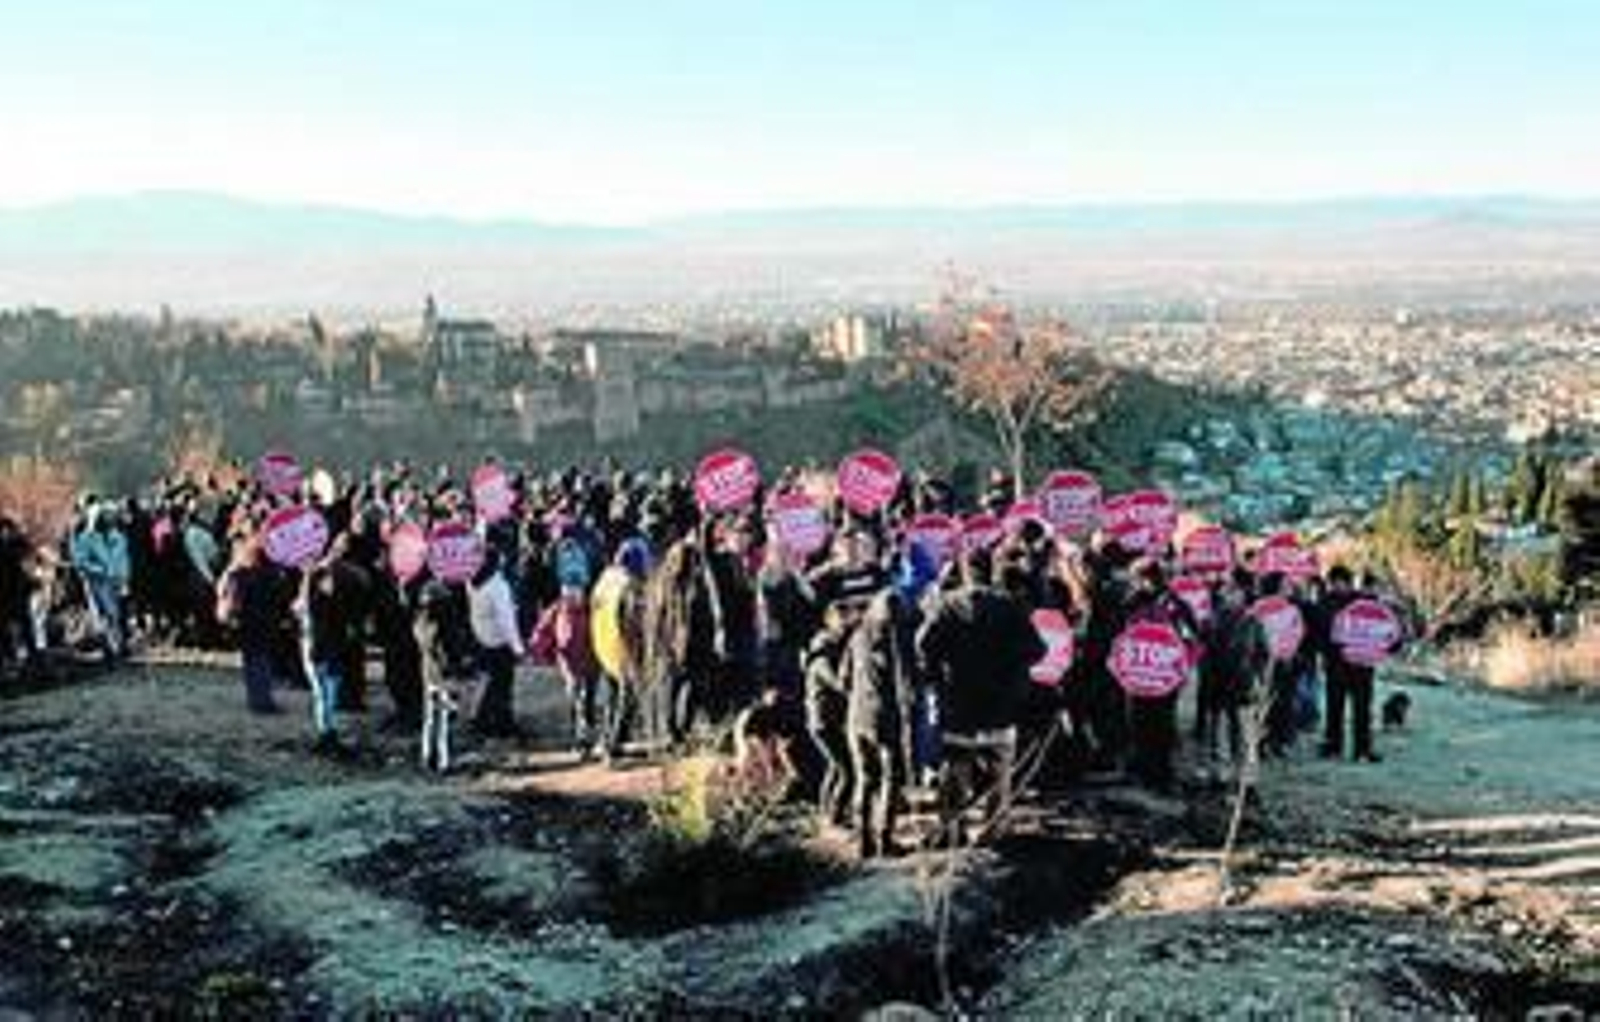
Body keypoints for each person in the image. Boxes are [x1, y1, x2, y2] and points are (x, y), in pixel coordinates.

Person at [917, 552, 1044, 846]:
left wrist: (938, 679)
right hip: (1001, 707)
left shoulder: (946, 605)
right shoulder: (1011, 606)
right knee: (1000, 772)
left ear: (964, 572)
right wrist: (1010, 670)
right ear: (992, 572)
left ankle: (952, 829)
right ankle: (993, 832)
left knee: (955, 771)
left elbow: (923, 647)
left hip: (959, 705)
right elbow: (1037, 650)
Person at [844, 588, 915, 858]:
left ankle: (863, 842)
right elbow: (906, 683)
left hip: (856, 714)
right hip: (885, 716)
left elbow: (844, 678)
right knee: (890, 777)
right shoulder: (897, 638)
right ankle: (884, 839)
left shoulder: (858, 635)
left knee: (865, 779)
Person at [1317, 565, 1388, 763]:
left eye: (1340, 582)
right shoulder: (1326, 602)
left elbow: (1383, 625)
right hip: (1337, 664)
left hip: (1361, 664)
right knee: (1335, 708)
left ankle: (1362, 749)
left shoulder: (1364, 601)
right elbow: (1321, 632)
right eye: (1334, 583)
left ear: (1347, 581)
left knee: (1362, 709)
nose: (1337, 586)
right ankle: (1333, 747)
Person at [590, 538, 651, 764]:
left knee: (612, 699)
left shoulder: (606, 579)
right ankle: (613, 747)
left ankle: (608, 739)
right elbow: (634, 622)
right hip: (623, 651)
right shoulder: (629, 587)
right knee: (626, 701)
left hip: (604, 647)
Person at [215, 534, 285, 714]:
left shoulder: (239, 575)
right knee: (263, 662)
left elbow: (228, 596)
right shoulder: (272, 573)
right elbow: (280, 597)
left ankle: (257, 700)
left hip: (247, 623)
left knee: (252, 662)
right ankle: (264, 700)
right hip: (267, 622)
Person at [531, 581, 601, 759]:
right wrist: (540, 653)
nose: (573, 599)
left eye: (576, 595)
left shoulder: (592, 609)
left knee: (587, 701)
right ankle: (581, 740)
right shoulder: (557, 610)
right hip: (570, 665)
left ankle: (586, 736)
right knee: (577, 700)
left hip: (591, 663)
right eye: (569, 596)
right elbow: (542, 633)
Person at [467, 547, 526, 739]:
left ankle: (481, 720)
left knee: (487, 682)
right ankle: (500, 724)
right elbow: (507, 620)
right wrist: (517, 647)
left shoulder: (472, 580)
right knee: (502, 687)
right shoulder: (497, 585)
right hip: (499, 642)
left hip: (481, 638)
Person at [72, 503, 132, 661]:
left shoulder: (118, 537)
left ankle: (119, 644)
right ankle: (112, 646)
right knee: (108, 613)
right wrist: (99, 570)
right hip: (99, 582)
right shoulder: (87, 538)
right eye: (106, 515)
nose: (110, 518)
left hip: (117, 580)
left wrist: (125, 578)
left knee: (119, 613)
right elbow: (81, 562)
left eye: (111, 515)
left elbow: (125, 559)